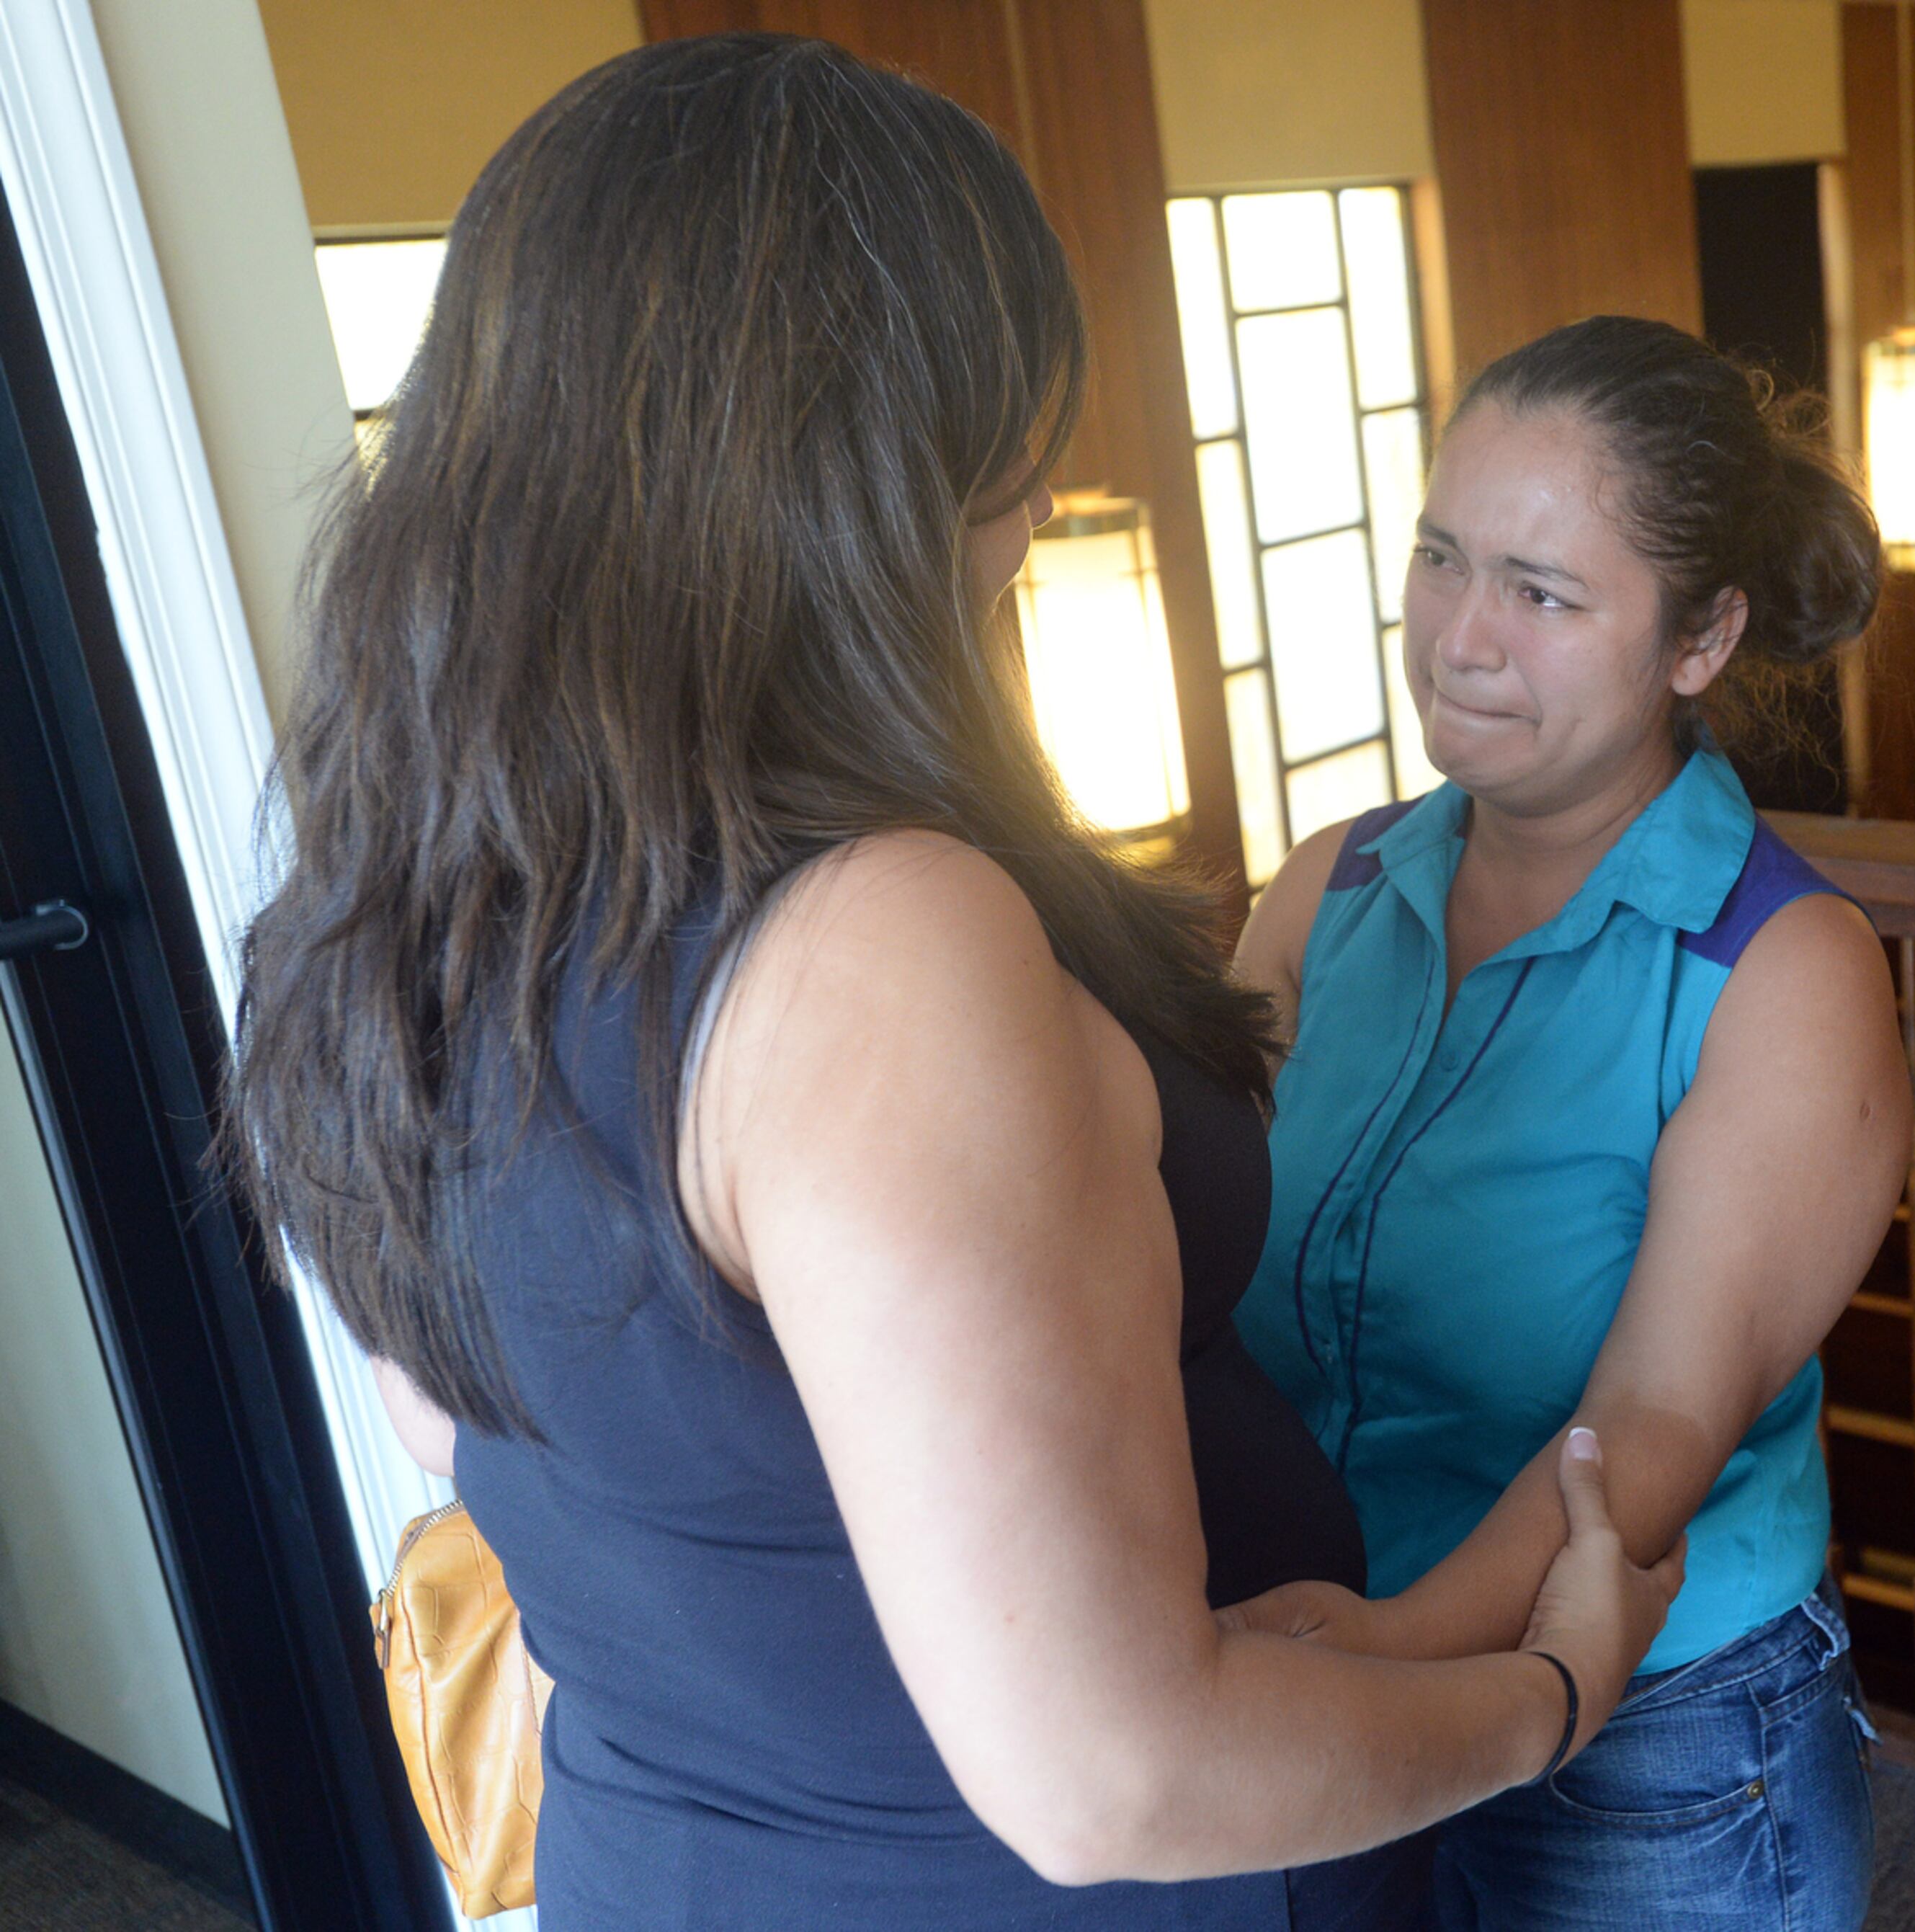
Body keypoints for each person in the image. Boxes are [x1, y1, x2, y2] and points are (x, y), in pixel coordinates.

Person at [225, 38, 1682, 1932]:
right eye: (1006, 437)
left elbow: (460, 1414)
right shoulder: (878, 934)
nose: (1027, 507)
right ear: (878, 465)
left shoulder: (411, 884)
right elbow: (1109, 1776)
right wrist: (1544, 1698)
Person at [1224, 316, 1914, 1929]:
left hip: (1646, 1734)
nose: (1462, 639)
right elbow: (1186, 1248)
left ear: (1701, 637)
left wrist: (1379, 1657)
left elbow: (1656, 1426)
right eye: (1440, 561)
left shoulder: (1781, 970)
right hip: (1314, 1671)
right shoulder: (1326, 884)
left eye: (1540, 595)